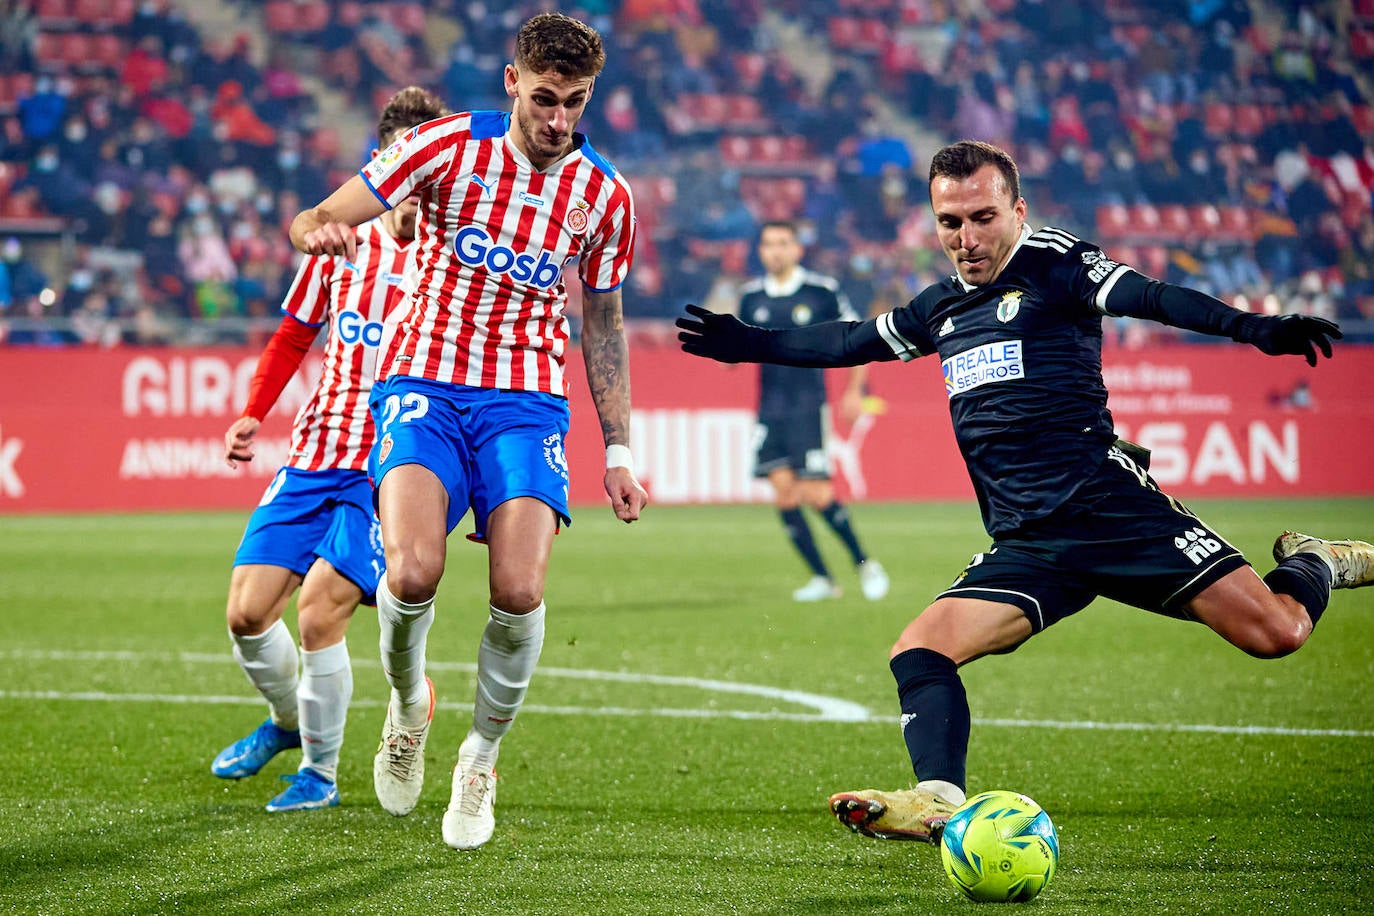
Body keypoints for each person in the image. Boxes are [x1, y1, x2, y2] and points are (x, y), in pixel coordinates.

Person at [677, 139, 1371, 844]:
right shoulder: (941, 306)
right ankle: (937, 800)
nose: (967, 239)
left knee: (1279, 633)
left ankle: (1314, 558)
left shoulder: (1056, 265)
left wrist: (1255, 328)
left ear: (1018, 210)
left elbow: (1151, 297)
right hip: (1029, 542)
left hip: (1110, 510)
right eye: (950, 223)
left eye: (982, 217)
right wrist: (750, 342)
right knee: (918, 650)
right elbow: (851, 341)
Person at [288, 13, 647, 850]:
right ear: (513, 81)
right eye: (547, 98)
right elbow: (315, 216)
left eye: (577, 102)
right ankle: (410, 706)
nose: (560, 120)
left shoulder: (604, 195)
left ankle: (480, 756)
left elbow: (604, 324)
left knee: (519, 592)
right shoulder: (445, 146)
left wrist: (620, 450)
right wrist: (322, 232)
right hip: (422, 379)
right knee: (411, 573)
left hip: (525, 400)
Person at [211, 87, 450, 812]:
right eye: (395, 164)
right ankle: (287, 724)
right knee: (247, 615)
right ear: (380, 164)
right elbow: (293, 335)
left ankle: (319, 771)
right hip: (316, 452)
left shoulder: (458, 261)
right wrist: (253, 412)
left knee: (319, 612)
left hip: (391, 468)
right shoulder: (344, 245)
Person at [738, 220, 889, 602]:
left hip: (808, 405)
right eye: (769, 244)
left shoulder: (821, 292)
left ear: (796, 249)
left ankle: (864, 562)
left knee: (817, 493)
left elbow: (858, 339)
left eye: (782, 243)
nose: (775, 250)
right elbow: (736, 351)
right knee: (784, 494)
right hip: (770, 407)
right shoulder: (750, 297)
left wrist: (855, 391)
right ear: (761, 251)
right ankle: (823, 578)